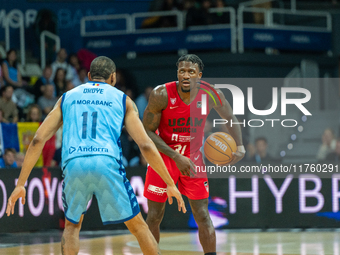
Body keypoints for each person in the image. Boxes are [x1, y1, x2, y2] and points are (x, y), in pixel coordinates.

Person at [6, 56, 186, 255]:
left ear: (89, 76)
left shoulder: (67, 97)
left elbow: (38, 140)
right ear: (113, 77)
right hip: (106, 162)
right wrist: (169, 182)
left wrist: (21, 184)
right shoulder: (123, 99)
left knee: (72, 227)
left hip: (74, 163)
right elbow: (145, 144)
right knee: (139, 227)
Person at [143, 54, 245, 255]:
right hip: (164, 156)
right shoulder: (161, 94)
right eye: (182, 71)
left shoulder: (211, 93)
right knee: (154, 216)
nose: (186, 75)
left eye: (191, 71)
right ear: (177, 73)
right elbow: (146, 131)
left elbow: (230, 117)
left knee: (202, 215)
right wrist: (175, 156)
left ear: (199, 75)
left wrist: (240, 146)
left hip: (193, 157)